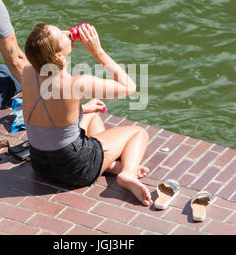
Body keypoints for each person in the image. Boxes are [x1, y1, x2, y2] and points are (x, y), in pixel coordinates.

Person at [22, 23, 153, 206]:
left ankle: (111, 166)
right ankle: (128, 173)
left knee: (93, 117)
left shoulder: (27, 71)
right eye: (63, 35)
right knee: (138, 133)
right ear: (58, 55)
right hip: (74, 170)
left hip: (40, 165)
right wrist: (97, 51)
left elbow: (49, 109)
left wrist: (82, 109)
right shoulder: (77, 84)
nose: (68, 32)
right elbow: (129, 87)